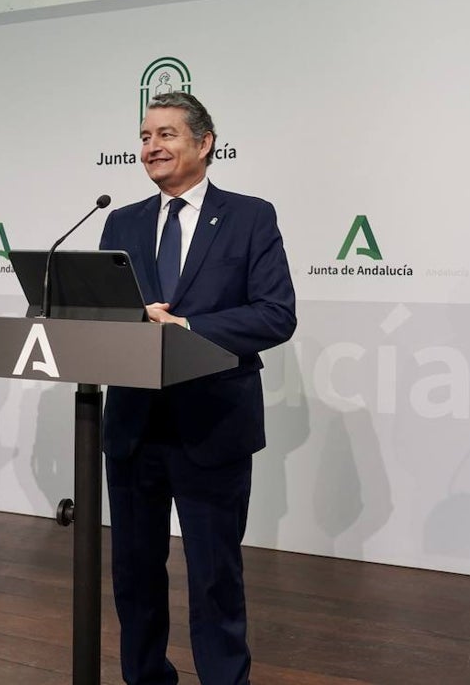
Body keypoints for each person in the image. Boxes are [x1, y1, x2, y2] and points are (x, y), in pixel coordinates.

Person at [99, 92, 296, 685]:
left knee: (214, 575)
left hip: (212, 423)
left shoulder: (250, 216)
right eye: (144, 136)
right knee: (134, 573)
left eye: (166, 135)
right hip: (134, 422)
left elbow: (275, 315)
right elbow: (104, 313)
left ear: (205, 143)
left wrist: (187, 326)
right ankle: (146, 677)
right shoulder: (121, 220)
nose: (151, 148)